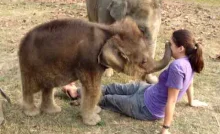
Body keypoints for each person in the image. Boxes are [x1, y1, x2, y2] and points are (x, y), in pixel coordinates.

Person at [62, 29, 208, 134]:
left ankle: (77, 94)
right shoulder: (190, 60)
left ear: (181, 48)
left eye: (170, 44)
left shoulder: (178, 66)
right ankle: (77, 92)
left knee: (108, 99)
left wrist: (166, 129)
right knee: (113, 87)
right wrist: (191, 101)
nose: (168, 47)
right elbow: (189, 83)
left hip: (146, 107)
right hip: (147, 91)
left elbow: (172, 100)